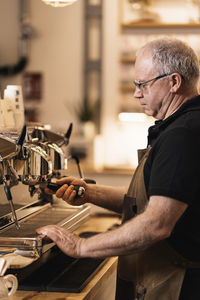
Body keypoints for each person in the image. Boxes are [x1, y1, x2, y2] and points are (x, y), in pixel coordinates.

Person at [36, 37, 200, 300]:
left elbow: (157, 223)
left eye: (142, 84)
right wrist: (89, 192)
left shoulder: (183, 134)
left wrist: (80, 246)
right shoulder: (178, 126)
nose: (136, 93)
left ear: (174, 82)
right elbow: (148, 199)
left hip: (178, 287)